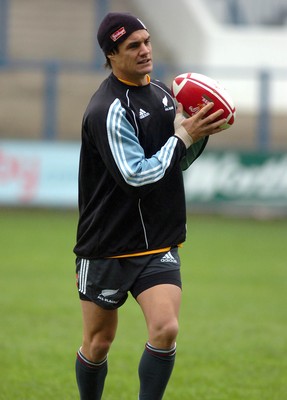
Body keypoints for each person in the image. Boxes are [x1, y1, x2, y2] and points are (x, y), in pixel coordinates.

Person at [73, 12, 226, 400]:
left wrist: (199, 131)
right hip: (106, 243)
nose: (145, 51)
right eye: (132, 46)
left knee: (165, 328)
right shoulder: (106, 109)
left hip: (157, 240)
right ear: (111, 55)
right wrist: (183, 136)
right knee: (99, 342)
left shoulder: (161, 94)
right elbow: (137, 178)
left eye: (146, 41)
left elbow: (174, 161)